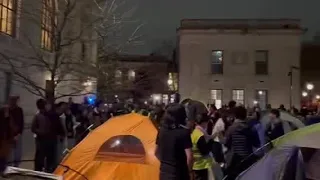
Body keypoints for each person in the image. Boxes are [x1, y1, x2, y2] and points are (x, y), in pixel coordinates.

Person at [155, 103, 193, 180]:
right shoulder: (184, 132)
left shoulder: (161, 131)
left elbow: (156, 153)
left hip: (164, 172)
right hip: (179, 173)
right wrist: (189, 171)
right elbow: (189, 157)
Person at [225, 106, 260, 179]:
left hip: (235, 159)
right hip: (249, 158)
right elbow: (257, 143)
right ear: (245, 115)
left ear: (235, 115)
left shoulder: (232, 128)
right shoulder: (251, 128)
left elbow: (226, 143)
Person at [31, 100, 64, 173]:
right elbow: (33, 128)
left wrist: (61, 134)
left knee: (51, 158)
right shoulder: (38, 115)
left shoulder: (53, 115)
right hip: (41, 140)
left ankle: (49, 170)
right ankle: (38, 171)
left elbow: (58, 126)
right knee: (40, 158)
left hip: (51, 140)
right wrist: (40, 132)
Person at [191, 113, 215, 180]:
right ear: (203, 122)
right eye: (206, 122)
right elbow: (204, 151)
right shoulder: (200, 135)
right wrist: (211, 141)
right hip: (202, 165)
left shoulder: (194, 132)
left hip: (196, 164)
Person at [0, 105, 17, 176]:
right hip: (2, 139)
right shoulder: (2, 119)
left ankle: (3, 170)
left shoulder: (9, 119)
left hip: (6, 139)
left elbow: (12, 128)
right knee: (2, 156)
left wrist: (13, 138)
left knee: (4, 156)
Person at [8, 96, 24, 167]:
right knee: (9, 150)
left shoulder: (19, 110)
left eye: (14, 100)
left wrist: (19, 133)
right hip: (8, 134)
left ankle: (16, 165)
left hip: (17, 133)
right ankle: (8, 165)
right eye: (12, 100)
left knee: (17, 150)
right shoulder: (6, 110)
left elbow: (21, 122)